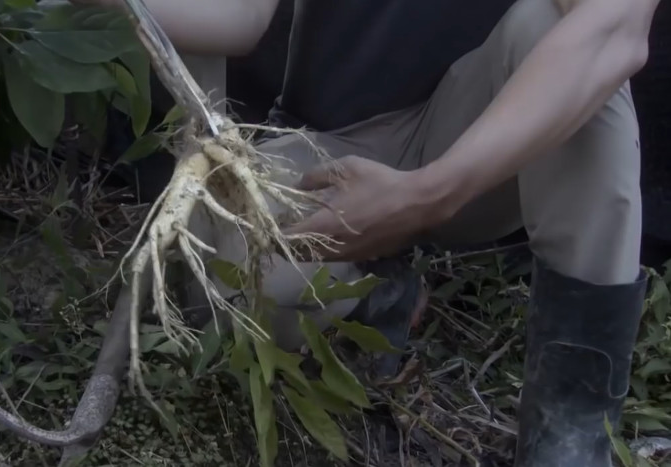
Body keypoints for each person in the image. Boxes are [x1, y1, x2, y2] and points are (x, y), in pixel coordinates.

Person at [72, 0, 660, 465]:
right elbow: (240, 14)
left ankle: (571, 429)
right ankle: (381, 290)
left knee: (575, 33)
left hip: (478, 140)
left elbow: (618, 27)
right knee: (258, 296)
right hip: (329, 150)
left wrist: (429, 193)